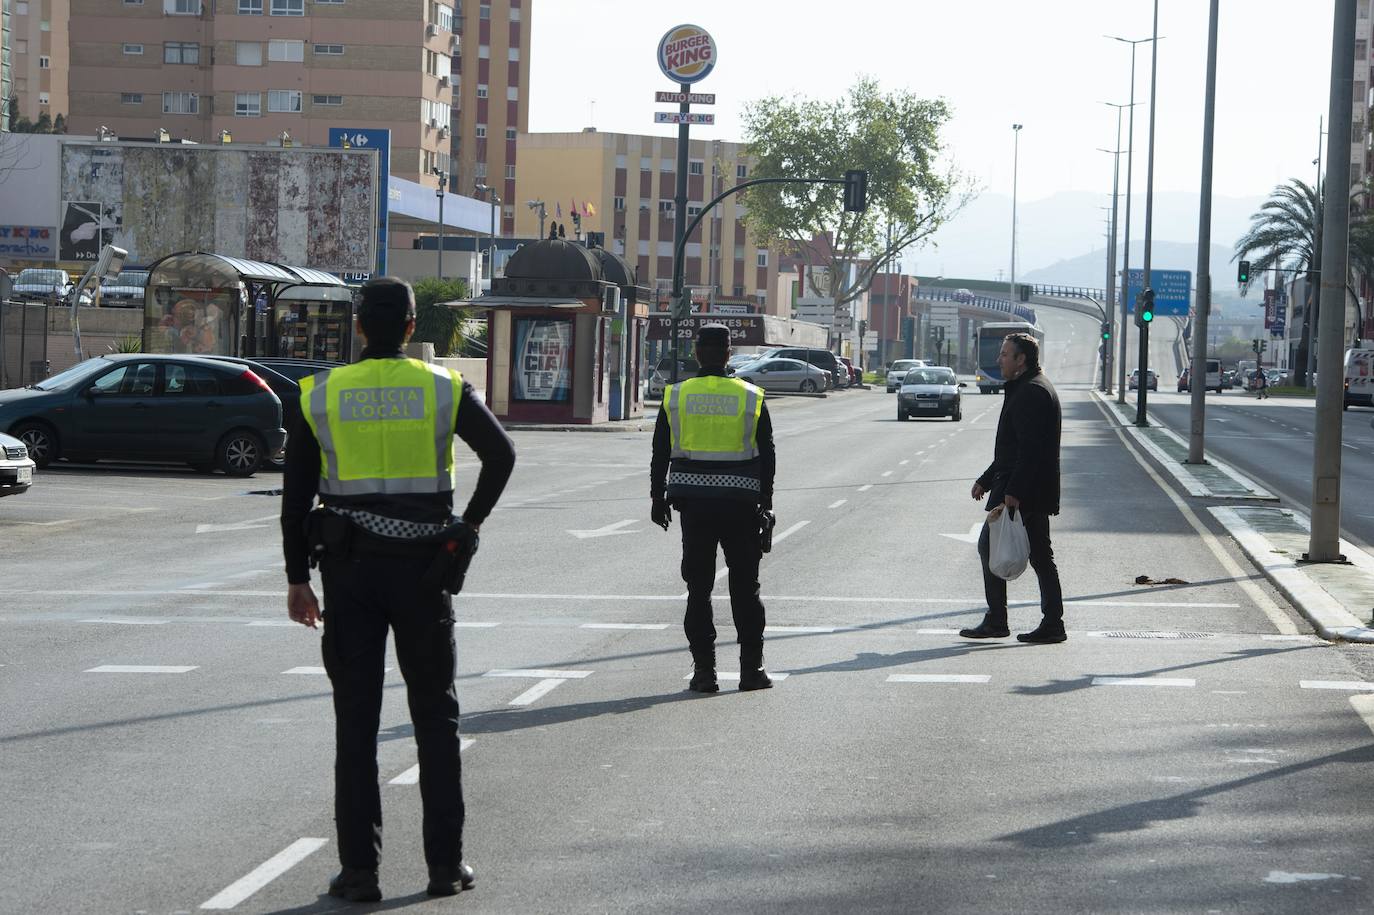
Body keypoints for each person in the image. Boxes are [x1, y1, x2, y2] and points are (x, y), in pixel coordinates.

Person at [281, 277, 515, 903]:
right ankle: (445, 866)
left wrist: (297, 579)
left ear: (359, 325)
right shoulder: (443, 387)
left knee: (355, 723)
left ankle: (360, 872)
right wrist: (468, 525)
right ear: (412, 326)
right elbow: (502, 455)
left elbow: (295, 499)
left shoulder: (319, 394)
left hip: (348, 575)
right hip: (423, 573)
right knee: (436, 719)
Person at [650, 324, 777, 692]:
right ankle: (752, 671)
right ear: (728, 353)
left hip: (694, 508)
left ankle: (705, 673)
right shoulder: (751, 396)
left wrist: (657, 498)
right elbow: (767, 454)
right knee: (746, 590)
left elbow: (661, 451)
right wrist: (766, 502)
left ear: (696, 353)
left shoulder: (677, 395)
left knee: (699, 590)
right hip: (741, 506)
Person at [960, 332, 1065, 644]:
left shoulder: (1031, 392)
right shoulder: (1029, 387)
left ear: (1021, 360)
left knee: (989, 546)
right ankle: (1052, 623)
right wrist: (986, 479)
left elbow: (1029, 450)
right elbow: (1012, 448)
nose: (999, 359)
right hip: (1032, 487)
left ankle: (998, 619)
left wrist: (1014, 492)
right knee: (1041, 557)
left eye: (1005, 354)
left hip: (1024, 490)